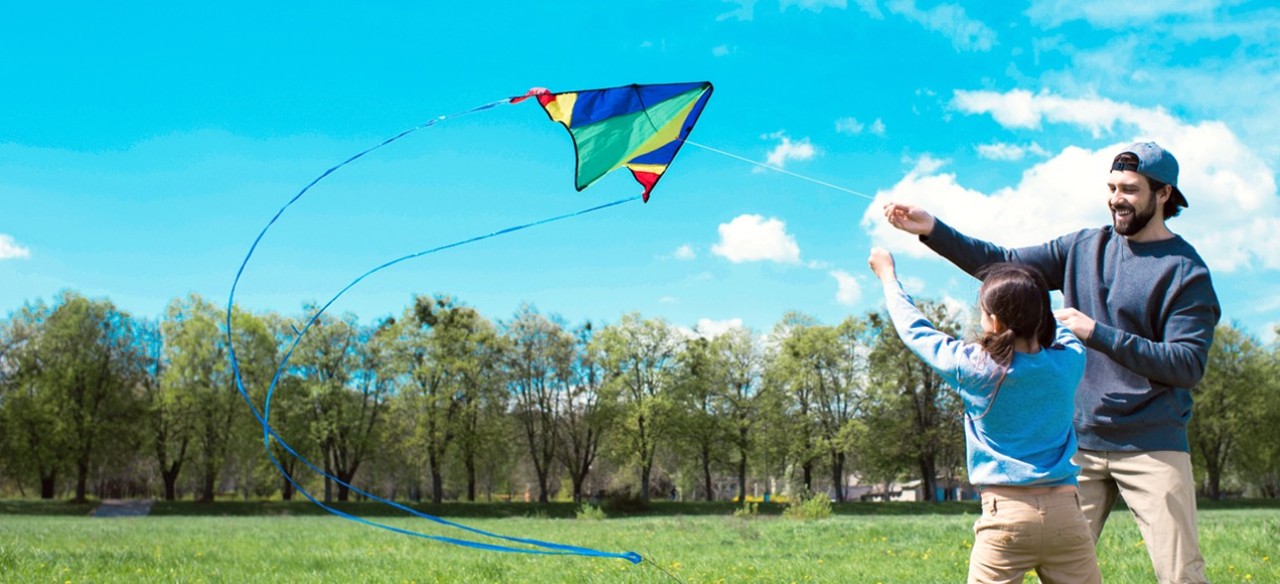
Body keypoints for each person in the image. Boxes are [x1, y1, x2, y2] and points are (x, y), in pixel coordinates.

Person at [882, 141, 1220, 583]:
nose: (1116, 198)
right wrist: (933, 230)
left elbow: (1187, 364)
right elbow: (1004, 266)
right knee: (1057, 567)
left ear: (1163, 195)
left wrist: (1097, 333)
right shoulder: (1083, 246)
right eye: (1112, 186)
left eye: (1130, 189)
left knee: (1181, 574)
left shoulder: (1186, 272)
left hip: (1152, 443)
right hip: (1075, 448)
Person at [868, 248, 1098, 583]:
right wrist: (1041, 303)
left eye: (983, 312)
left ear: (995, 321)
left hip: (1005, 517)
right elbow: (1059, 329)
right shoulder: (1069, 361)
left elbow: (915, 330)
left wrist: (888, 277)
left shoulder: (974, 368)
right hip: (1068, 516)